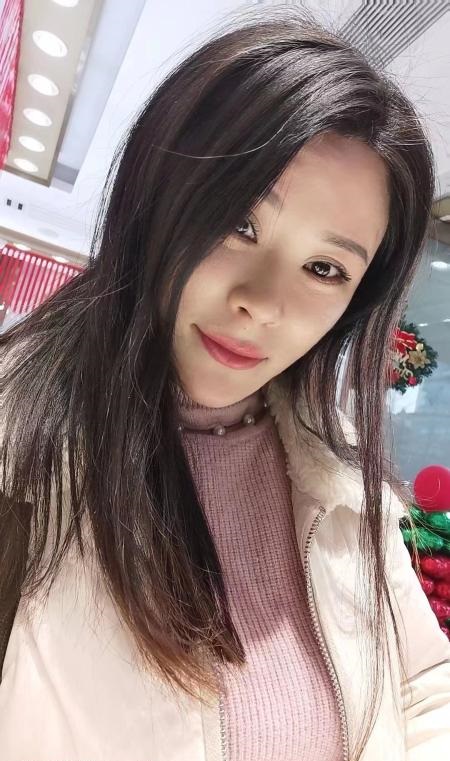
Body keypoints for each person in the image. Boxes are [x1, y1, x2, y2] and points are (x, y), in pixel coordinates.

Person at [1, 7, 449, 761]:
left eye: (325, 268)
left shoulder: (339, 481)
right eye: (240, 225)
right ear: (157, 197)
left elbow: (425, 681)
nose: (264, 304)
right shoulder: (21, 454)